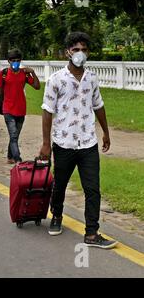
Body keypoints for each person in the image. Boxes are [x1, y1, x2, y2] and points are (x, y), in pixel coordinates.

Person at [39, 31, 117, 249]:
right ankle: (56, 216)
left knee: (92, 188)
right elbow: (47, 111)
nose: (80, 53)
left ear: (88, 53)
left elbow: (98, 105)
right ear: (68, 53)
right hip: (63, 144)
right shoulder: (56, 79)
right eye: (76, 50)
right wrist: (46, 144)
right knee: (60, 185)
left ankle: (91, 233)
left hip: (88, 143)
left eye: (84, 50)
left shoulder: (91, 78)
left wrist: (106, 132)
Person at [0, 49, 40, 164]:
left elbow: (37, 86)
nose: (16, 63)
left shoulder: (25, 74)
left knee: (15, 136)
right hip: (8, 109)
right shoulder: (3, 74)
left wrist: (33, 72)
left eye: (18, 60)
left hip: (21, 109)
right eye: (13, 60)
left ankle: (9, 156)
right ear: (8, 61)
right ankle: (18, 159)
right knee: (13, 135)